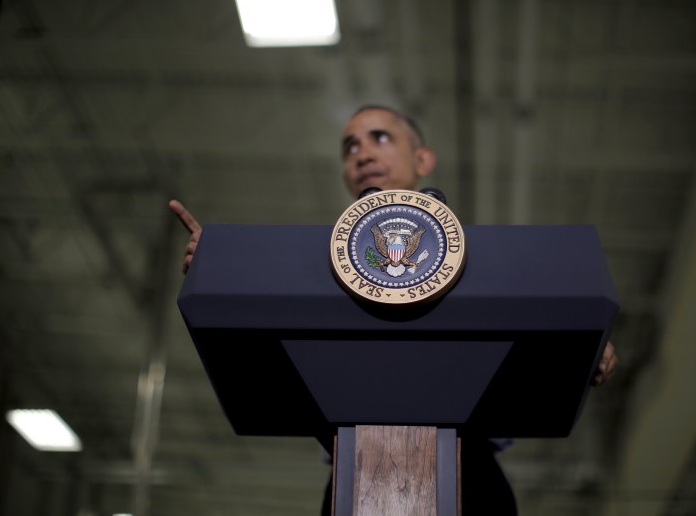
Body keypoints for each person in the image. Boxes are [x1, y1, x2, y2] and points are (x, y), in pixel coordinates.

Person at [169, 104, 618, 515]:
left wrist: (584, 342)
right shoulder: (315, 268)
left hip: (471, 481)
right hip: (353, 477)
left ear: (423, 160)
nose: (362, 153)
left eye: (380, 137)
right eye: (350, 146)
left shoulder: (483, 261)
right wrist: (219, 267)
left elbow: (551, 314)